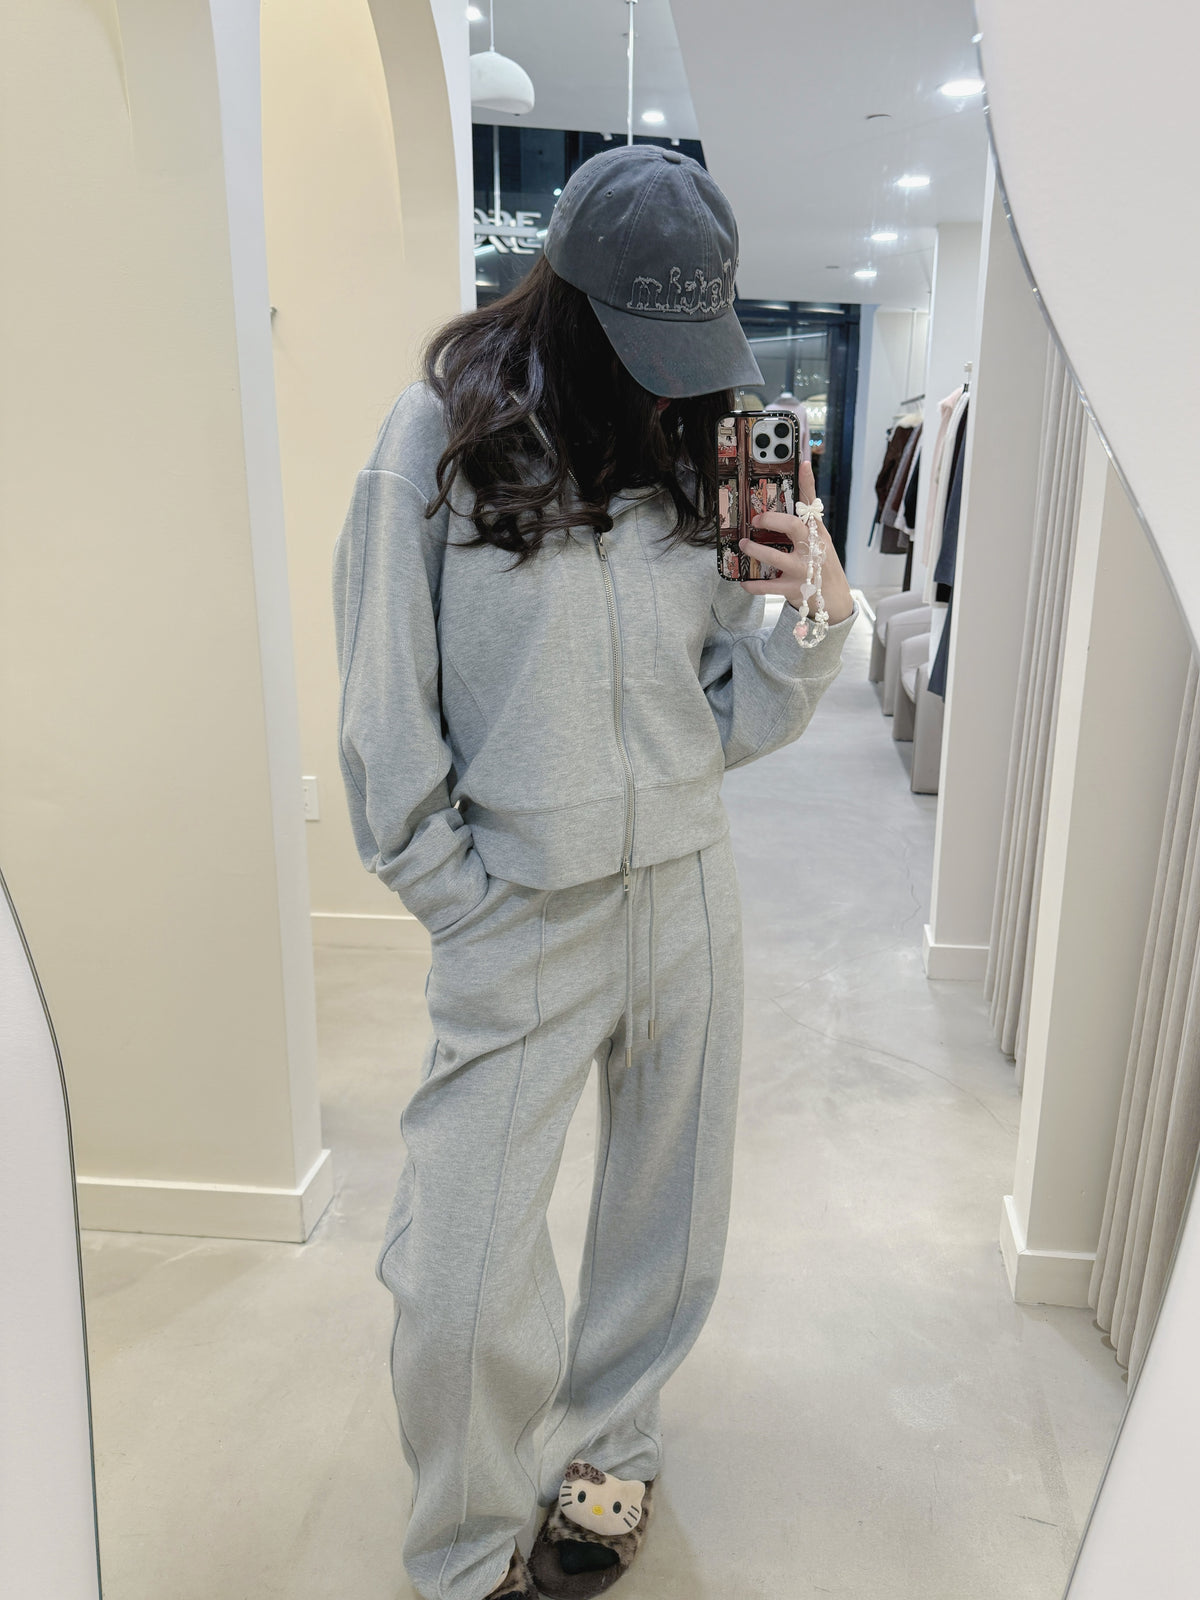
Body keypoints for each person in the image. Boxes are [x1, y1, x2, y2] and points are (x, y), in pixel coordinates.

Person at [331, 144, 859, 1600]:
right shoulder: (435, 439)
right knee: (458, 1270)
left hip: (686, 889)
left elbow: (735, 712)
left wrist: (818, 607)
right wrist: (454, 893)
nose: (671, 377)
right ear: (565, 297)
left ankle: (612, 1444)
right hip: (519, 906)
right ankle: (461, 1549)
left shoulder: (707, 440)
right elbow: (385, 698)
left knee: (667, 1216)